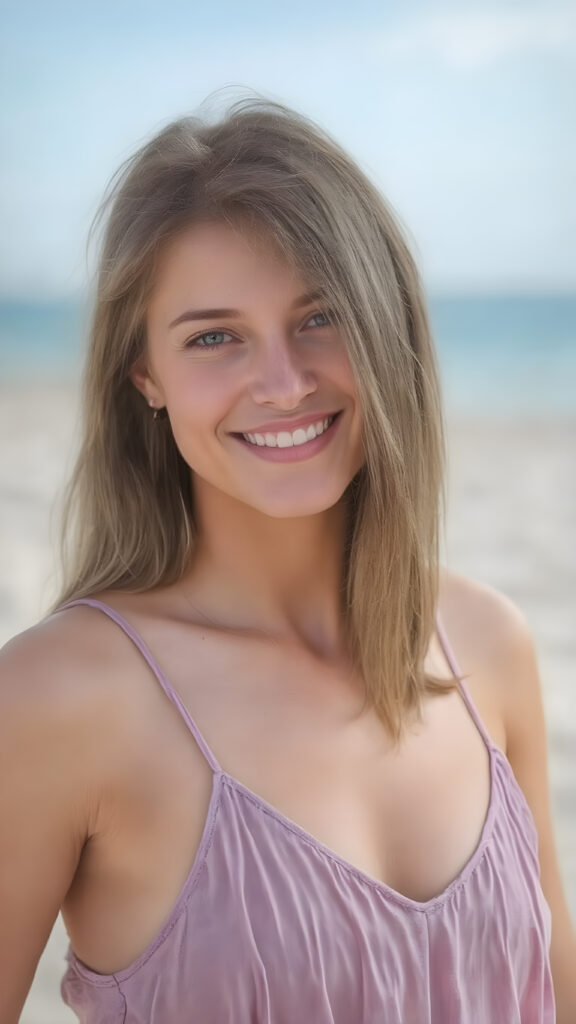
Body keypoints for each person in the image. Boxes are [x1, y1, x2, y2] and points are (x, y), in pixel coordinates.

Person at [0, 94, 574, 1024]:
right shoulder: (56, 700)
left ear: (388, 328)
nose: (284, 382)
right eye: (213, 338)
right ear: (144, 375)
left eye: (322, 317)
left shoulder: (485, 646)